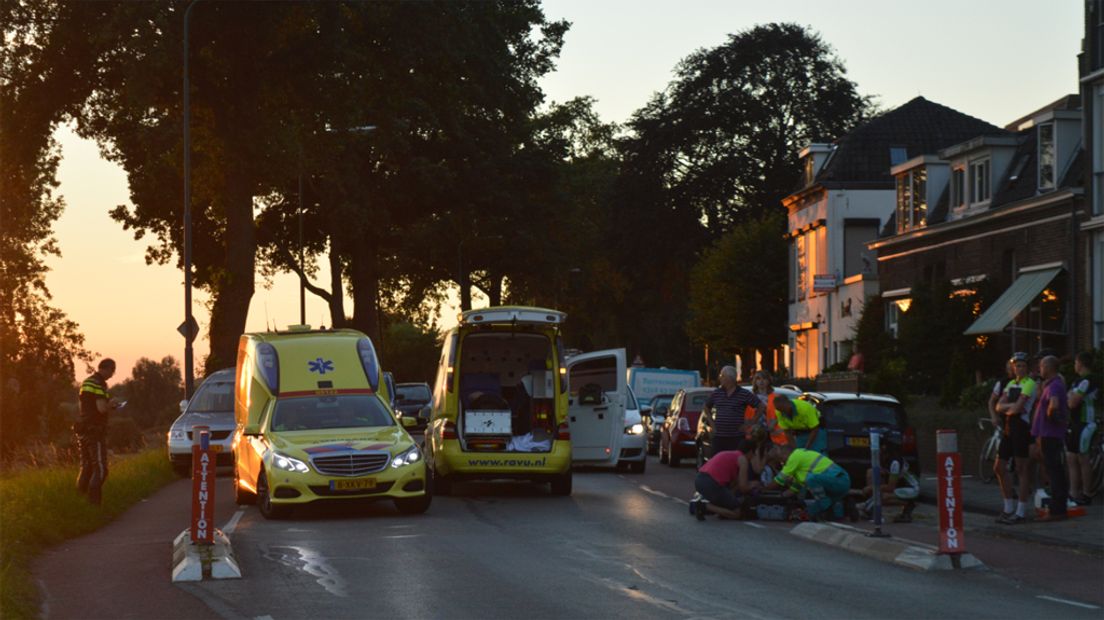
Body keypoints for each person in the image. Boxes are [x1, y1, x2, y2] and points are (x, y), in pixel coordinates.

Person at [994, 352, 1038, 524]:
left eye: (1022, 366)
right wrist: (1008, 407)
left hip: (1021, 428)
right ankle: (1008, 507)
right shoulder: (1011, 383)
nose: (1019, 368)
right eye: (1017, 365)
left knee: (1022, 469)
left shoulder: (1030, 384)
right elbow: (998, 406)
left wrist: (1008, 407)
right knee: (999, 467)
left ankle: (1020, 511)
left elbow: (1018, 409)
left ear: (1027, 368)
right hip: (1008, 428)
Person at [76, 359, 121, 505]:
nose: (112, 375)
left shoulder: (86, 382)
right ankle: (94, 505)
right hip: (95, 430)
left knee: (86, 467)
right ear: (106, 369)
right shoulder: (98, 384)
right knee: (101, 469)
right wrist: (112, 404)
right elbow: (101, 408)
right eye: (112, 371)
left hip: (83, 428)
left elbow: (84, 406)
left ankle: (79, 502)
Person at [766, 445, 851, 521]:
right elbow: (794, 490)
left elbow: (779, 480)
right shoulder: (800, 469)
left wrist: (763, 489)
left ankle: (826, 506)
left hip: (840, 480)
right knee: (810, 512)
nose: (782, 464)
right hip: (838, 484)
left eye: (780, 460)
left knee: (811, 479)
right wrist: (779, 497)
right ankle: (846, 510)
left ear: (783, 455)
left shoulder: (795, 456)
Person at [1031, 355, 1069, 522]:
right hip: (1047, 434)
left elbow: (1053, 405)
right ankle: (1057, 507)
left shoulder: (1055, 386)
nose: (1040, 369)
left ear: (1048, 367)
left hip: (1050, 435)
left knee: (1054, 472)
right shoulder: (1051, 385)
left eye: (1041, 366)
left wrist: (1050, 416)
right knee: (1053, 470)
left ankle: (1057, 510)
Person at [703, 365, 762, 457]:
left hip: (736, 437)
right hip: (719, 436)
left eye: (722, 376)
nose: (720, 378)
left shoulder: (744, 394)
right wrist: (712, 424)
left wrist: (751, 423)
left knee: (735, 462)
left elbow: (760, 406)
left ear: (729, 378)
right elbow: (706, 407)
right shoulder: (717, 393)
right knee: (718, 462)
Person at [1067, 351, 1099, 506]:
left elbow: (1072, 402)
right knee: (1071, 457)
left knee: (1083, 458)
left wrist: (1070, 398)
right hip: (1075, 423)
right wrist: (1070, 398)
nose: (1074, 365)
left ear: (1080, 363)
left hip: (1085, 423)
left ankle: (1087, 493)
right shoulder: (1077, 381)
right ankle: (1073, 492)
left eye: (1075, 362)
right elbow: (1069, 400)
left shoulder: (1088, 380)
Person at [691, 449, 761, 520]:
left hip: (700, 480)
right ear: (750, 452)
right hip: (712, 483)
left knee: (725, 503)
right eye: (754, 455)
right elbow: (743, 487)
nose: (753, 458)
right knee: (737, 512)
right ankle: (704, 506)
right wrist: (752, 485)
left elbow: (730, 490)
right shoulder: (742, 459)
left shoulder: (731, 456)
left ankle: (706, 507)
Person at [861, 442, 919, 523]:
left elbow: (890, 487)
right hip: (900, 484)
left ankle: (908, 504)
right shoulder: (882, 459)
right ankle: (871, 505)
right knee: (871, 472)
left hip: (911, 488)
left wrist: (870, 488)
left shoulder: (894, 462)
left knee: (883, 496)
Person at [743, 371, 787, 450]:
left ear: (768, 381)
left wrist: (776, 427)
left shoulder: (775, 398)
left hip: (772, 434)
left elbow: (783, 417)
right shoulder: (749, 398)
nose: (761, 381)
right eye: (758, 379)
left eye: (764, 378)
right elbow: (746, 417)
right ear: (755, 381)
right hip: (754, 433)